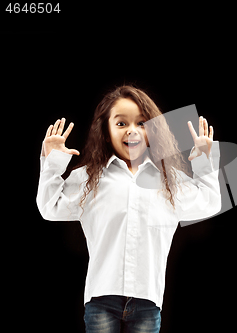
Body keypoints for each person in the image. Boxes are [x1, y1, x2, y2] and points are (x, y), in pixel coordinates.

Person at [36, 85, 221, 333]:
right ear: (105, 131)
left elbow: (209, 202)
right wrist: (52, 161)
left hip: (148, 300)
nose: (132, 130)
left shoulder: (169, 181)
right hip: (101, 299)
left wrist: (203, 160)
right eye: (121, 123)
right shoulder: (90, 178)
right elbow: (50, 207)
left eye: (142, 123)